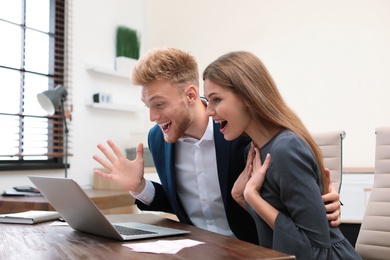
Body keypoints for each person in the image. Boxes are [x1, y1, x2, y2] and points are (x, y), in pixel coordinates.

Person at [93, 47, 342, 245]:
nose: (153, 117)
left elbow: (291, 188)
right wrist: (139, 187)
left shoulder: (242, 131)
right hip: (195, 248)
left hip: (251, 248)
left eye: (159, 104)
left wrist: (327, 202)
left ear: (191, 95)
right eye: (147, 106)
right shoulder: (158, 139)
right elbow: (182, 202)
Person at [202, 51, 361, 259]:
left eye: (216, 100)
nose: (208, 111)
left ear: (247, 97)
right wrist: (241, 197)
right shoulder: (253, 150)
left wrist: (252, 197)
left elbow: (315, 248)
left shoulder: (286, 149)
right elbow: (279, 226)